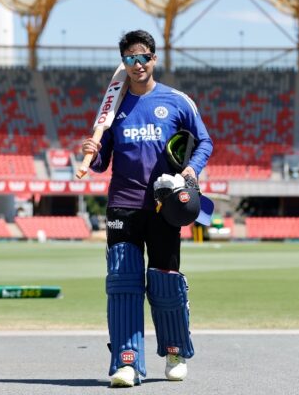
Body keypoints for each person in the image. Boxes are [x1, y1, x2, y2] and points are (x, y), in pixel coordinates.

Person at [81, 29, 213, 387]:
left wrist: (191, 170)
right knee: (123, 283)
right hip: (122, 206)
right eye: (130, 58)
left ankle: (174, 351)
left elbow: (204, 142)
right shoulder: (113, 107)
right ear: (123, 63)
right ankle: (126, 362)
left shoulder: (177, 101)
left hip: (163, 205)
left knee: (165, 281)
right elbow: (101, 162)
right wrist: (92, 153)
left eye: (143, 57)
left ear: (153, 59)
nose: (137, 64)